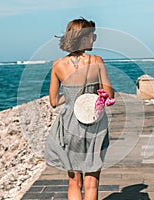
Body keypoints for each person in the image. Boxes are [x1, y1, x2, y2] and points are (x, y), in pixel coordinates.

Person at [45, 18, 114, 200]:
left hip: (69, 125)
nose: (94, 39)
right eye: (92, 35)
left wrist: (70, 97)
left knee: (74, 182)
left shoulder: (58, 65)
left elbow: (53, 101)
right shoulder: (96, 61)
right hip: (94, 123)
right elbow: (109, 93)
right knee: (92, 182)